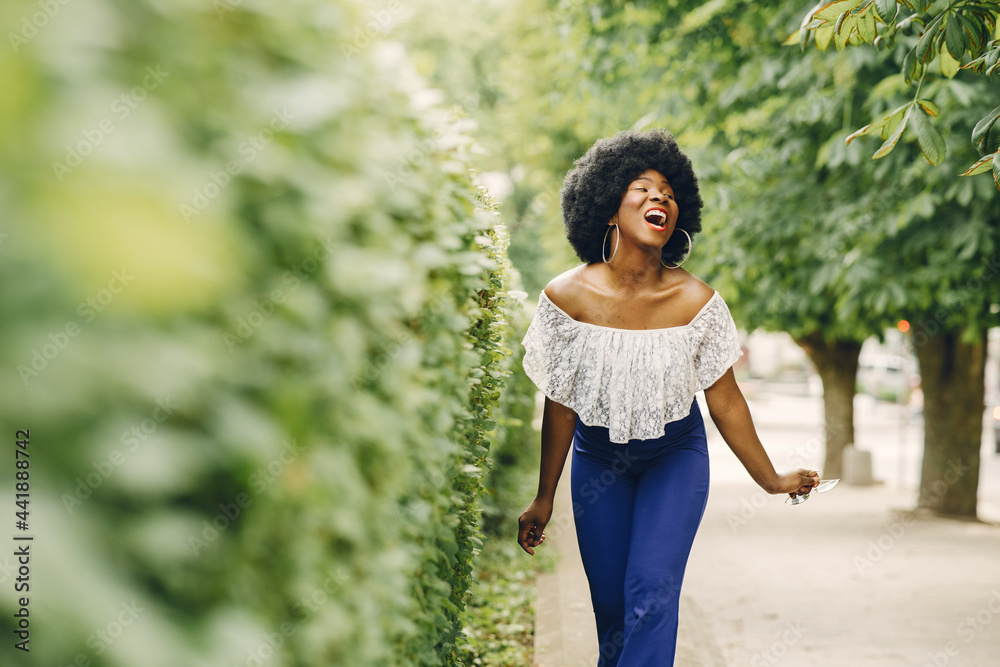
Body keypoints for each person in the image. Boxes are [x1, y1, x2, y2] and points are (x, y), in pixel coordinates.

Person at [516, 129, 819, 666]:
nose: (660, 197)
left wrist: (770, 480)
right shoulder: (566, 299)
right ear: (607, 207)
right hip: (596, 459)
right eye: (642, 187)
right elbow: (560, 404)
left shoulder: (697, 302)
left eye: (670, 193)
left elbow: (726, 401)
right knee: (611, 612)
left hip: (674, 459)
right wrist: (545, 495)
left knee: (651, 597)